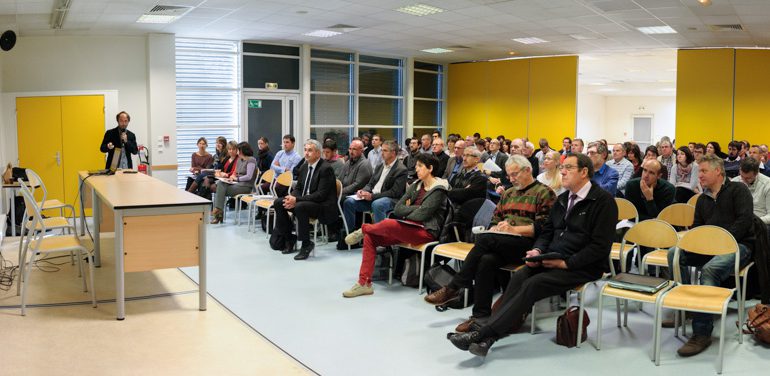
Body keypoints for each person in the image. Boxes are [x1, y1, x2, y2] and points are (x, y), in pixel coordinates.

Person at [447, 153, 617, 356]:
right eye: (562, 167)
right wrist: (538, 251)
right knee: (520, 275)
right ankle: (488, 337)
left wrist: (566, 263)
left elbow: (600, 247)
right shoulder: (563, 200)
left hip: (582, 266)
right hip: (551, 257)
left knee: (533, 284)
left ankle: (482, 335)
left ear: (584, 172)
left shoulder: (603, 202)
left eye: (568, 167)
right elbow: (547, 232)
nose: (562, 171)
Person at [425, 155, 556, 330]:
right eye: (509, 175)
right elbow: (496, 219)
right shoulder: (508, 193)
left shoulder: (544, 193)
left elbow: (545, 228)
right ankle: (480, 317)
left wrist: (514, 229)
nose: (511, 179)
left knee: (485, 240)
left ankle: (454, 286)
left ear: (528, 170)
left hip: (529, 246)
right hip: (504, 242)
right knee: (486, 260)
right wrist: (495, 228)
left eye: (515, 174)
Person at [666, 153, 754, 357]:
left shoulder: (738, 190)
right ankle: (686, 308)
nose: (700, 175)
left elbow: (744, 222)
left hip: (739, 246)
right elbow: (698, 228)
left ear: (718, 172)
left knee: (710, 270)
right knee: (674, 254)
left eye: (704, 171)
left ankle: (702, 332)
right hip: (710, 247)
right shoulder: (703, 199)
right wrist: (695, 241)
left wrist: (718, 243)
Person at [342, 153, 449, 298]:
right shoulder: (416, 185)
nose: (416, 169)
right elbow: (398, 208)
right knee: (371, 238)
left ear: (430, 169)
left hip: (426, 231)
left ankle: (364, 229)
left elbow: (423, 215)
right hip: (408, 227)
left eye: (420, 166)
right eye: (416, 165)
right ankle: (364, 283)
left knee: (389, 223)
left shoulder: (439, 189)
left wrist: (411, 211)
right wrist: (416, 209)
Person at [271, 139, 338, 260]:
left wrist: (296, 200)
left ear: (318, 153)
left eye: (310, 150)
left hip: (322, 205)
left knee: (300, 207)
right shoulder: (304, 167)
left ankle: (306, 244)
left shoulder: (325, 169)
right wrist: (291, 197)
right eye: (305, 150)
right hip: (306, 201)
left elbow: (320, 195)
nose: (306, 153)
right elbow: (299, 188)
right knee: (279, 202)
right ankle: (289, 238)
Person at [341, 140, 407, 243]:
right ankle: (349, 235)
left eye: (385, 151)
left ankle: (379, 239)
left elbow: (394, 192)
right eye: (382, 150)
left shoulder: (401, 169)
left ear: (393, 153)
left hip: (391, 199)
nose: (382, 153)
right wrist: (363, 191)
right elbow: (370, 184)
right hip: (373, 197)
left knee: (378, 204)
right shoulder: (380, 166)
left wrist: (371, 196)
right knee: (349, 202)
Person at [210, 142, 257, 224]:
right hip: (236, 183)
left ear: (242, 150)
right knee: (221, 184)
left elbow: (249, 176)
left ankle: (218, 214)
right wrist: (232, 177)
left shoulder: (251, 160)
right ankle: (218, 213)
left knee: (220, 190)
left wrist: (237, 179)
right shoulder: (239, 159)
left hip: (246, 186)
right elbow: (235, 172)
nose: (237, 152)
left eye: (238, 150)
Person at [732, 157, 770, 229]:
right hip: (737, 222)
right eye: (742, 176)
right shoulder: (734, 182)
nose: (743, 180)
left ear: (756, 173)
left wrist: (753, 221)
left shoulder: (767, 184)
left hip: (759, 223)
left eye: (748, 178)